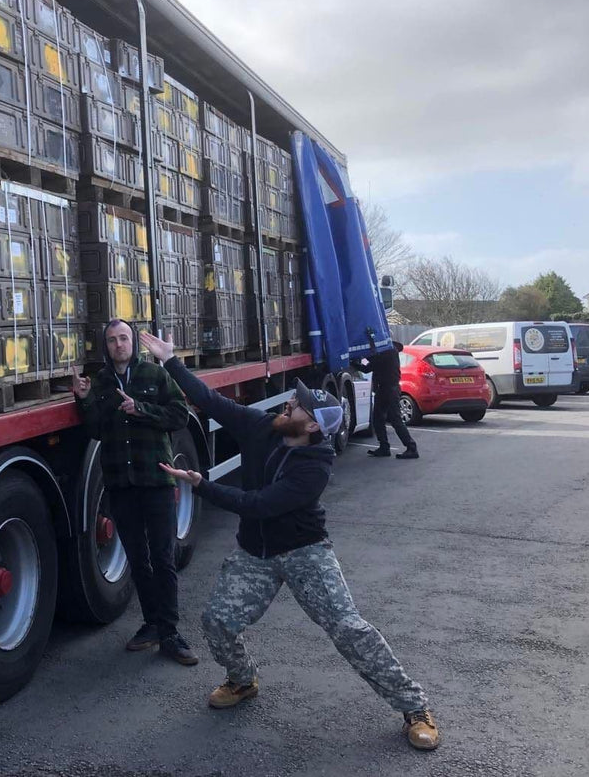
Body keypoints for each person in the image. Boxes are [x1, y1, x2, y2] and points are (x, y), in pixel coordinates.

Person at [139, 330, 441, 752]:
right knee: (217, 621)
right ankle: (243, 681)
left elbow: (259, 504)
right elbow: (210, 402)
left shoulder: (315, 466)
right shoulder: (263, 427)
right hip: (254, 553)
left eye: (297, 404)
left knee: (349, 629)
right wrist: (171, 361)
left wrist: (202, 485)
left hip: (304, 553)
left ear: (312, 424)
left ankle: (414, 706)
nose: (288, 403)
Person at [73, 320, 198, 665]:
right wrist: (84, 401)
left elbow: (179, 415)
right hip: (121, 484)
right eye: (112, 340)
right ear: (106, 347)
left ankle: (171, 632)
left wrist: (140, 409)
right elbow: (97, 429)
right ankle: (152, 624)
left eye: (123, 338)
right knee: (138, 559)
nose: (118, 344)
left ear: (133, 342)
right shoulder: (101, 384)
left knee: (163, 557)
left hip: (156, 480)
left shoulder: (155, 375)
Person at [365, 342, 419, 460]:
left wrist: (353, 360)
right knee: (378, 418)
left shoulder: (386, 352)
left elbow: (367, 368)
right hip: (387, 389)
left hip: (388, 389)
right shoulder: (390, 351)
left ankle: (411, 447)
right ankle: (384, 447)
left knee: (395, 419)